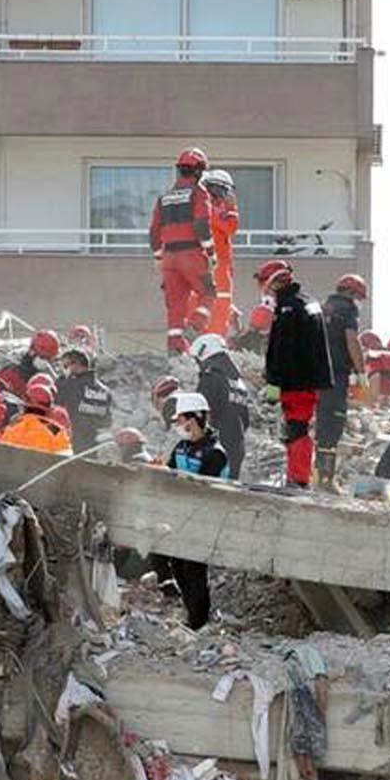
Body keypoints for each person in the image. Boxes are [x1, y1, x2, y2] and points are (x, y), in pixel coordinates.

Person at [260, 260, 333, 488]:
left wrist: (274, 381)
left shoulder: (289, 308)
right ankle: (298, 477)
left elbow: (283, 347)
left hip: (296, 382)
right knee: (297, 427)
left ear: (276, 282)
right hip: (309, 380)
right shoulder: (308, 302)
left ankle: (298, 480)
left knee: (297, 428)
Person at [159, 392, 228, 627]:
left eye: (180, 420)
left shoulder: (215, 453)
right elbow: (169, 472)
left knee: (194, 569)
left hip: (205, 519)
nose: (178, 425)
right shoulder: (182, 447)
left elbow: (205, 489)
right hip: (182, 516)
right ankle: (192, 615)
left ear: (194, 418)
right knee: (177, 565)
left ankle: (198, 621)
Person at [149, 150, 217, 333]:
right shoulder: (198, 193)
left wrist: (158, 257)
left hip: (169, 258)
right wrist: (211, 253)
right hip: (191, 254)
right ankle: (195, 327)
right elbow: (202, 225)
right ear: (198, 171)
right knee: (208, 292)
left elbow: (153, 232)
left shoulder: (164, 197)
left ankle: (176, 348)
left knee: (175, 306)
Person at [316, 270, 366, 490]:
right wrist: (361, 372)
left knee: (321, 426)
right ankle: (325, 480)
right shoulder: (348, 309)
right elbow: (352, 340)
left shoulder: (322, 307)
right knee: (332, 427)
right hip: (336, 376)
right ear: (353, 293)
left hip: (316, 374)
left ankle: (316, 475)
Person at [192, 331, 253, 478]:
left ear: (204, 353)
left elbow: (199, 414)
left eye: (197, 360)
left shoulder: (211, 377)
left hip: (215, 449)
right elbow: (245, 420)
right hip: (236, 448)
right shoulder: (239, 383)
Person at [198, 167, 244, 336]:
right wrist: (232, 208)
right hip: (214, 272)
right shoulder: (210, 210)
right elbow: (231, 226)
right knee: (216, 321)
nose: (223, 196)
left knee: (217, 314)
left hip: (214, 271)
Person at [61, 345, 115, 456]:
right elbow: (107, 421)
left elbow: (58, 410)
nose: (66, 368)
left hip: (73, 442)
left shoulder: (70, 386)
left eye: (66, 365)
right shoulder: (105, 391)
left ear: (75, 364)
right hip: (95, 444)